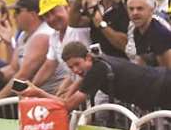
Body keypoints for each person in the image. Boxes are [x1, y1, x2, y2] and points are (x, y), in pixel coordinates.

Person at [20, 41, 171, 111]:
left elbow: (67, 105)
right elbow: (69, 96)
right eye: (70, 67)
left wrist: (38, 92)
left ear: (88, 58)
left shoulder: (97, 71)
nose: (75, 70)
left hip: (163, 87)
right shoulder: (98, 62)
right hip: (161, 83)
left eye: (77, 64)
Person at [33, 0, 91, 97]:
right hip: (79, 92)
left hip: (93, 87)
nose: (51, 18)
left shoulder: (80, 28)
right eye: (46, 15)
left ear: (67, 8)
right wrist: (32, 87)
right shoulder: (54, 37)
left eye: (53, 12)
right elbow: (48, 66)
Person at [123, 0, 171, 68]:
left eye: (140, 8)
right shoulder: (136, 29)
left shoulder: (160, 33)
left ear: (151, 10)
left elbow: (167, 74)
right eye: (131, 9)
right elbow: (141, 63)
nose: (135, 13)